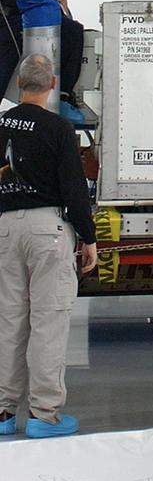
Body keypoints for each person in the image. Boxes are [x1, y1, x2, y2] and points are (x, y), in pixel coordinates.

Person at [0, 53, 97, 438]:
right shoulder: (57, 128)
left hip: (5, 227)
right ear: (52, 85)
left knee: (9, 320)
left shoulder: (0, 125)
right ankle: (44, 415)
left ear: (19, 85)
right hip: (47, 230)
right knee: (48, 321)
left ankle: (3, 412)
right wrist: (88, 237)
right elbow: (74, 189)